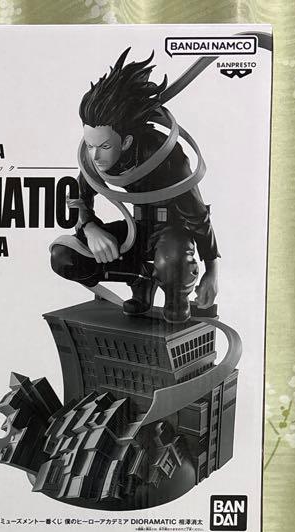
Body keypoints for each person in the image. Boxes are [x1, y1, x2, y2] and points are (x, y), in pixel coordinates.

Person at [52, 49, 219, 325]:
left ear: (127, 141)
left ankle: (176, 295)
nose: (95, 155)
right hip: (136, 231)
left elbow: (197, 215)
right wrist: (90, 228)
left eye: (104, 146)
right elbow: (78, 200)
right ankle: (141, 281)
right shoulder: (94, 158)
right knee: (63, 257)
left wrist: (212, 271)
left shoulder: (165, 155)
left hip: (173, 235)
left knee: (172, 264)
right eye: (90, 145)